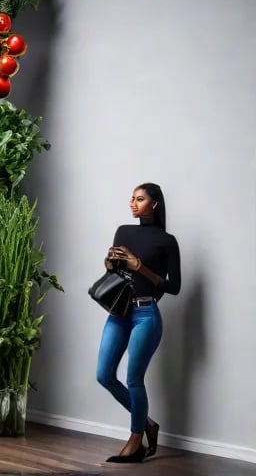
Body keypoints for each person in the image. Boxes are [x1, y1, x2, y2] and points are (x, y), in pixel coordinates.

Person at [96, 182, 181, 463]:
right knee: (104, 375)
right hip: (119, 311)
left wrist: (139, 266)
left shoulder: (167, 241)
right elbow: (114, 273)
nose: (133, 203)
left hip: (146, 315)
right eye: (131, 198)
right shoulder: (124, 231)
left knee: (134, 379)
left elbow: (174, 287)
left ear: (154, 204)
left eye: (140, 199)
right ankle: (147, 423)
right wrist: (112, 261)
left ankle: (136, 441)